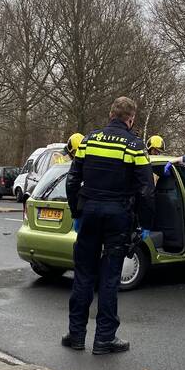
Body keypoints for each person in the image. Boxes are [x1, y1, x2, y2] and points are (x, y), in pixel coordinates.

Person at [63, 97, 155, 355]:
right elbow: (146, 189)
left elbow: (72, 180)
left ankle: (76, 335)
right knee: (110, 277)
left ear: (110, 113)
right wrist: (145, 223)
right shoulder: (134, 145)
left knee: (83, 275)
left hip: (90, 212)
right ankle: (104, 339)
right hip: (118, 216)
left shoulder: (89, 140)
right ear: (131, 118)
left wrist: (77, 212)